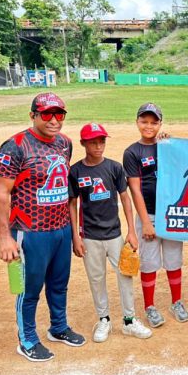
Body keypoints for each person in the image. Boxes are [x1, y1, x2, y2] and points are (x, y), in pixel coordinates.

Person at [0, 92, 85, 362]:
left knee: (59, 284)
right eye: (47, 114)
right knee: (30, 289)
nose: (54, 120)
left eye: (59, 114)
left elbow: (66, 190)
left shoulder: (65, 144)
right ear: (33, 115)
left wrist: (72, 232)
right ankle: (28, 339)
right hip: (29, 230)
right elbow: (1, 194)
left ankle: (58, 327)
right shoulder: (15, 146)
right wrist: (4, 238)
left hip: (60, 228)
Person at [68, 123, 152, 342]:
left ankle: (129, 320)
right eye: (93, 141)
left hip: (115, 234)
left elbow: (125, 198)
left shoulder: (114, 167)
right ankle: (103, 319)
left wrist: (131, 232)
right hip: (90, 237)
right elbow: (73, 204)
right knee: (96, 279)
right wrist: (75, 236)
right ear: (83, 143)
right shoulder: (76, 171)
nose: (98, 146)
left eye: (102, 141)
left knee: (125, 274)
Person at [123, 103, 188, 327]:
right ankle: (150, 306)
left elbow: (183, 173)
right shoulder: (132, 152)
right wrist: (145, 223)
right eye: (144, 121)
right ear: (137, 122)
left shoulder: (166, 146)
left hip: (171, 214)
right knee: (149, 263)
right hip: (148, 215)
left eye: (154, 122)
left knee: (173, 261)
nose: (149, 126)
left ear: (160, 123)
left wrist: (170, 143)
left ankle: (176, 301)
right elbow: (135, 190)